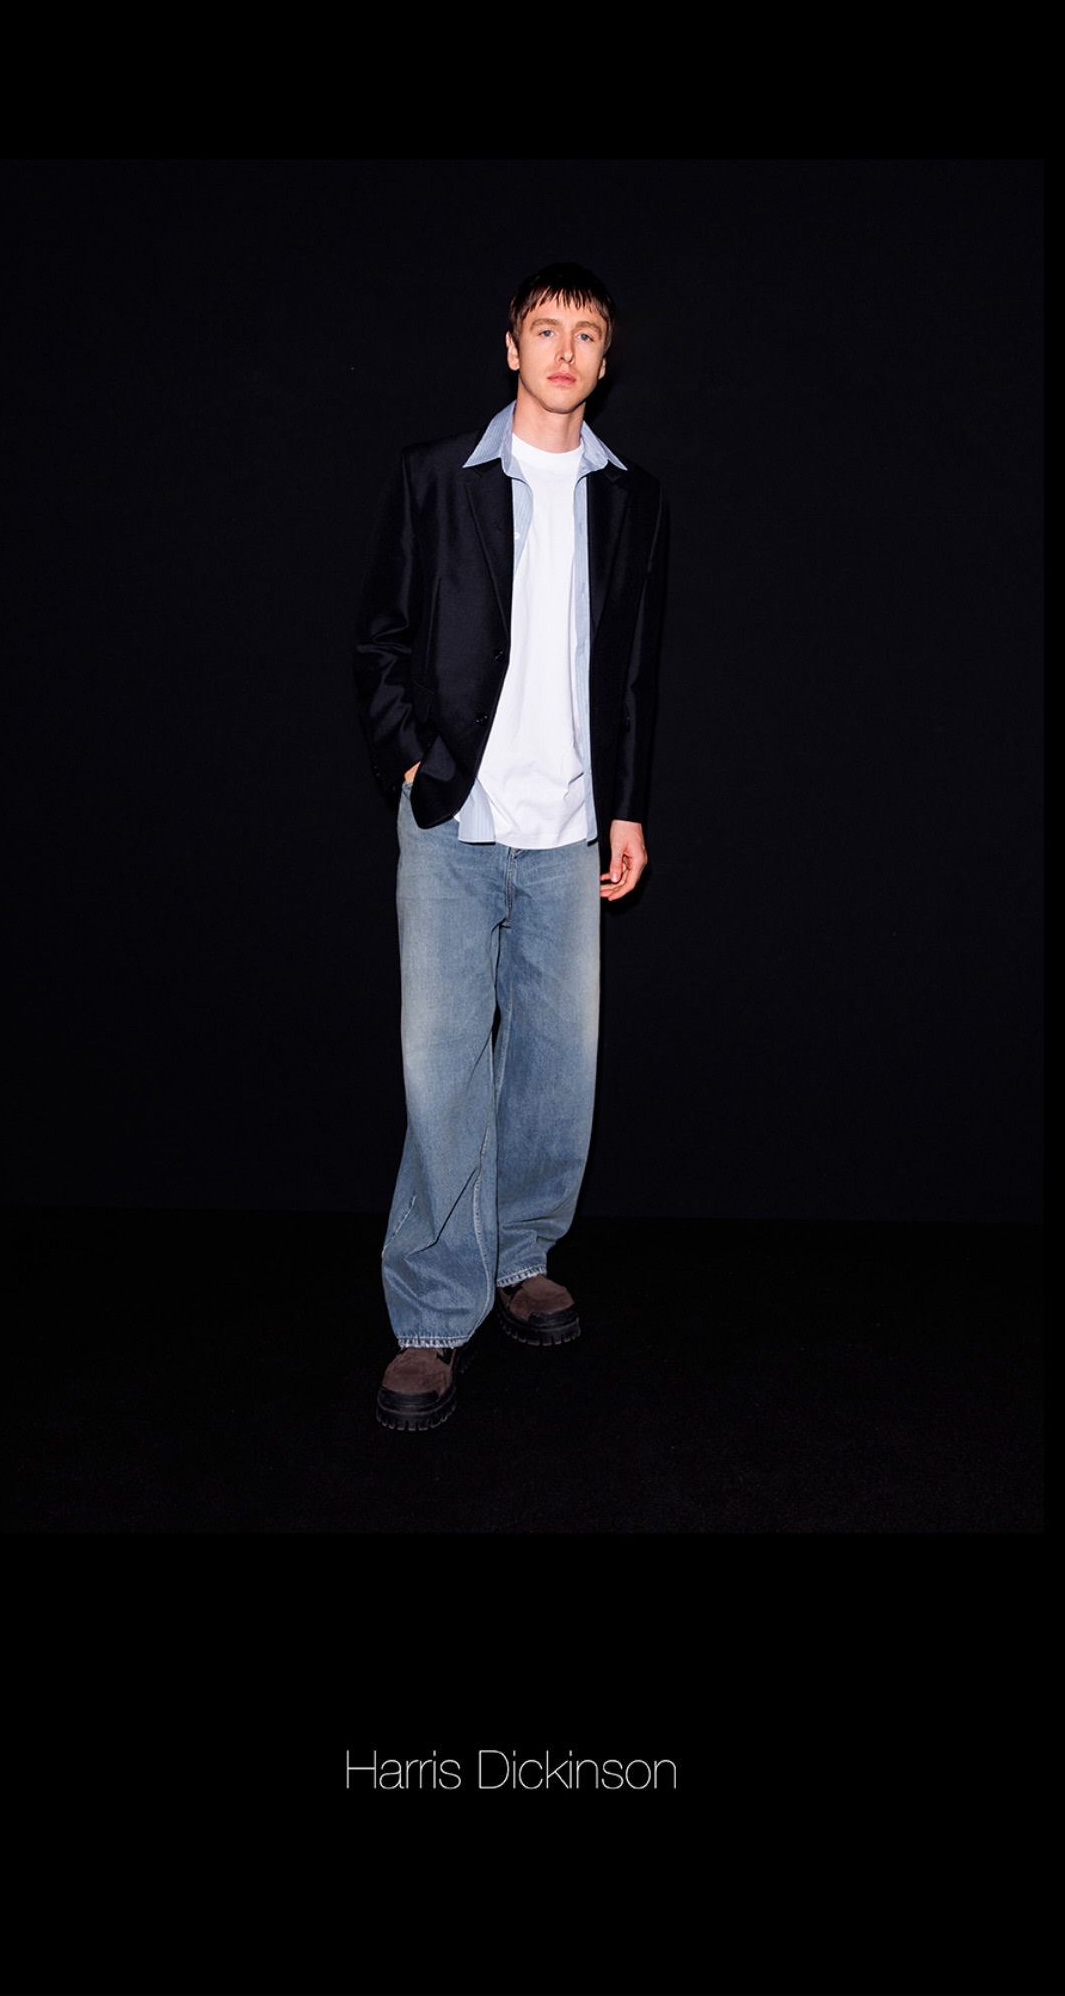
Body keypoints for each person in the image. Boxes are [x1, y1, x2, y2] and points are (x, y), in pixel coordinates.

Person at [354, 261, 667, 1430]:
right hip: (456, 820)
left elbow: (633, 672)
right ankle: (434, 1312)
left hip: (570, 831)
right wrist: (409, 760)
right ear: (511, 348)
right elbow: (380, 636)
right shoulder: (438, 475)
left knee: (555, 1069)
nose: (564, 351)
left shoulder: (633, 499)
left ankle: (519, 1253)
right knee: (442, 1067)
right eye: (546, 329)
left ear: (604, 360)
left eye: (586, 335)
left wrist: (627, 806)